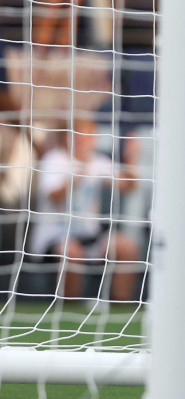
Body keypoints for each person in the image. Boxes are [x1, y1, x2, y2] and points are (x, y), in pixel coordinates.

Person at [30, 117, 142, 303]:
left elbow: (128, 186)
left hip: (90, 237)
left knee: (127, 248)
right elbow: (53, 195)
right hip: (56, 237)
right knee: (72, 252)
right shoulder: (54, 160)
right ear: (68, 137)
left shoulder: (98, 161)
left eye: (90, 136)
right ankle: (70, 310)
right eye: (82, 135)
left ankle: (120, 309)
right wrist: (78, 173)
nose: (87, 140)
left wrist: (131, 158)